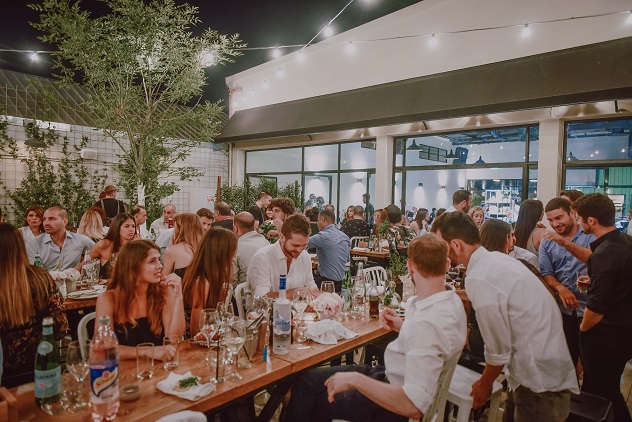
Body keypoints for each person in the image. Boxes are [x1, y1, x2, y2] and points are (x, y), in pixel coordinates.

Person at [284, 234, 466, 422]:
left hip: (392, 402)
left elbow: (413, 406)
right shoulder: (451, 301)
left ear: (410, 267)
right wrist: (403, 326)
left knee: (309, 398)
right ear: (447, 264)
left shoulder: (428, 323)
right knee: (308, 379)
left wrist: (356, 381)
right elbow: (428, 340)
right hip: (387, 374)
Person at [431, 212, 578, 420]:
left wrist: (484, 384)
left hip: (539, 382)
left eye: (441, 245)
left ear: (455, 245)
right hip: (536, 370)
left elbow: (497, 349)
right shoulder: (495, 260)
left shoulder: (480, 276)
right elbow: (495, 296)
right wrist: (449, 293)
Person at [573, 193, 632, 422]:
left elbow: (596, 310)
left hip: (606, 336)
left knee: (601, 393)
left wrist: (582, 329)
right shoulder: (625, 242)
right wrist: (594, 283)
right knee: (603, 389)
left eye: (579, 219)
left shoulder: (604, 253)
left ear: (591, 221)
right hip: (624, 329)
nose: (578, 223)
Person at [0, 223, 67, 388]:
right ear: (20, 246)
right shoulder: (41, 278)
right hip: (42, 367)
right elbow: (60, 327)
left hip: (4, 377)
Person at [95, 240, 184, 359]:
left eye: (159, 259)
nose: (160, 266)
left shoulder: (162, 293)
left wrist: (178, 297)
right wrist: (147, 352)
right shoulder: (108, 299)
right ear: (133, 266)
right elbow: (103, 349)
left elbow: (174, 339)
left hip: (158, 367)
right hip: (123, 368)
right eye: (152, 261)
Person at [539, 198, 594, 367]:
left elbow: (599, 263)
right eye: (550, 220)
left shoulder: (590, 236)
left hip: (591, 308)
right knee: (567, 360)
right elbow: (546, 273)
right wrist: (560, 288)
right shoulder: (546, 241)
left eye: (559, 218)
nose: (555, 224)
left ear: (571, 213)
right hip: (564, 310)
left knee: (593, 361)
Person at [182, 227, 237, 338]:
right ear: (222, 253)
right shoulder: (202, 283)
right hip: (195, 343)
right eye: (232, 251)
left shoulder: (214, 277)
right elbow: (196, 330)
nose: (234, 255)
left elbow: (216, 315)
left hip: (209, 339)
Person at [247, 214, 318, 298]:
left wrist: (322, 297)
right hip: (269, 307)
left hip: (296, 306)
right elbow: (261, 298)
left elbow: (311, 286)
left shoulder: (305, 256)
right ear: (282, 237)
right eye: (295, 245)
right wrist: (293, 293)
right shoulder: (262, 258)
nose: (300, 250)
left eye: (304, 245)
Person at [26, 206, 95, 270]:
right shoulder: (34, 244)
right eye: (44, 219)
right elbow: (31, 271)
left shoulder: (80, 240)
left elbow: (98, 252)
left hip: (73, 279)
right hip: (46, 279)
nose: (46, 223)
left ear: (65, 222)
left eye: (52, 219)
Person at [308, 209, 351, 292]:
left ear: (322, 219)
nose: (317, 224)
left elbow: (301, 243)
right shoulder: (345, 237)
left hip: (327, 283)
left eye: (318, 221)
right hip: (344, 283)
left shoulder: (322, 236)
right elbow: (346, 260)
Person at [90, 213, 136, 279]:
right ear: (117, 227)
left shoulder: (135, 247)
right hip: (105, 284)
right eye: (126, 226)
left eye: (133, 226)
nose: (131, 229)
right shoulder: (105, 244)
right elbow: (85, 263)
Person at [232, 212, 269, 286]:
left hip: (245, 290)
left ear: (236, 228)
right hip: (268, 289)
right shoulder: (266, 243)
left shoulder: (235, 247)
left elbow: (232, 279)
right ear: (254, 225)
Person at [162, 213, 203, 279]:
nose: (173, 231)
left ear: (180, 229)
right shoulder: (206, 249)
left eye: (175, 228)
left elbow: (163, 279)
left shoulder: (172, 251)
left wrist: (170, 247)